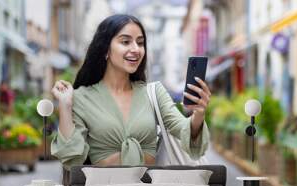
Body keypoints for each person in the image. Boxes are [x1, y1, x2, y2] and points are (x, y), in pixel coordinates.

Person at [50, 14, 212, 171]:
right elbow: (71, 158)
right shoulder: (82, 98)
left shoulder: (154, 92)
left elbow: (184, 132)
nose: (136, 49)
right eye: (126, 42)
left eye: (140, 43)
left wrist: (198, 114)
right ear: (105, 49)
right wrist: (65, 105)